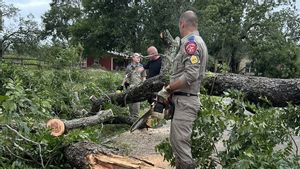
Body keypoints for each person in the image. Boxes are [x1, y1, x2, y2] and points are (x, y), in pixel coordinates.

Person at [156, 10, 208, 168]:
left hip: (186, 100)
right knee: (178, 144)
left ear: (182, 23)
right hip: (183, 99)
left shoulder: (190, 43)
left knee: (181, 145)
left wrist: (168, 88)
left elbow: (190, 75)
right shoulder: (196, 41)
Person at [124, 53, 146, 121]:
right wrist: (126, 87)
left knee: (136, 104)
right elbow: (126, 78)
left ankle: (136, 120)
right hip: (130, 88)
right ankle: (131, 121)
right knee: (130, 104)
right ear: (133, 58)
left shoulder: (142, 66)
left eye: (139, 57)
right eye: (137, 57)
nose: (139, 58)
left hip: (138, 87)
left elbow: (144, 77)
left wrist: (143, 86)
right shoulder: (128, 67)